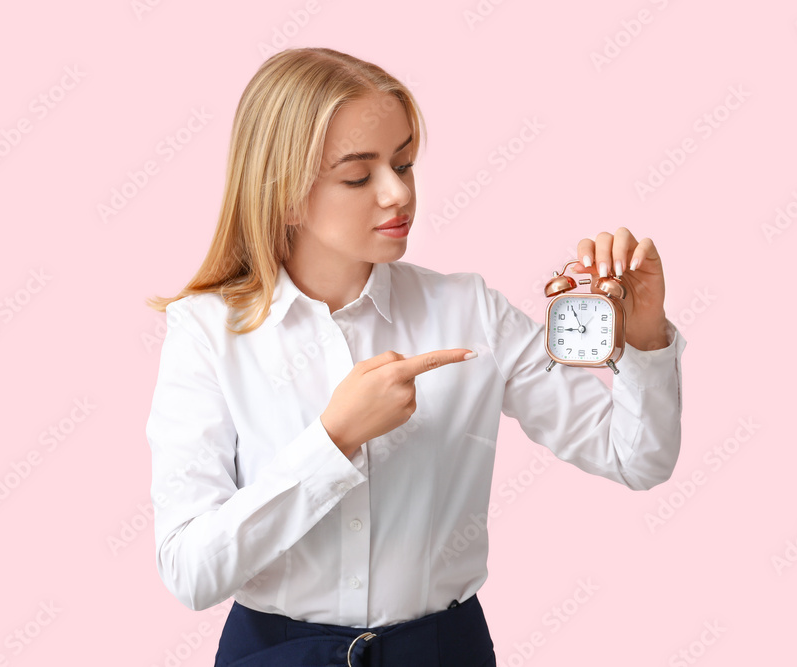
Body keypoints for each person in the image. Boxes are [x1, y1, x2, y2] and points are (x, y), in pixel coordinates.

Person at [145, 46, 687, 667]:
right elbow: (190, 572)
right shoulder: (207, 332)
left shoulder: (471, 312)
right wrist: (334, 438)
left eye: (404, 163)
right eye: (358, 175)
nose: (397, 193)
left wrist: (645, 338)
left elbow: (637, 459)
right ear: (284, 191)